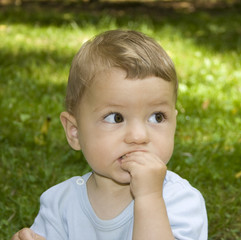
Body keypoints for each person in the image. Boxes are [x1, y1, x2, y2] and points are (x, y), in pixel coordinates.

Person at [12, 29, 207, 240]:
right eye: (116, 118)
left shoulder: (181, 201)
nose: (138, 136)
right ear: (75, 132)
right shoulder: (60, 204)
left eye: (157, 117)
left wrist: (149, 197)